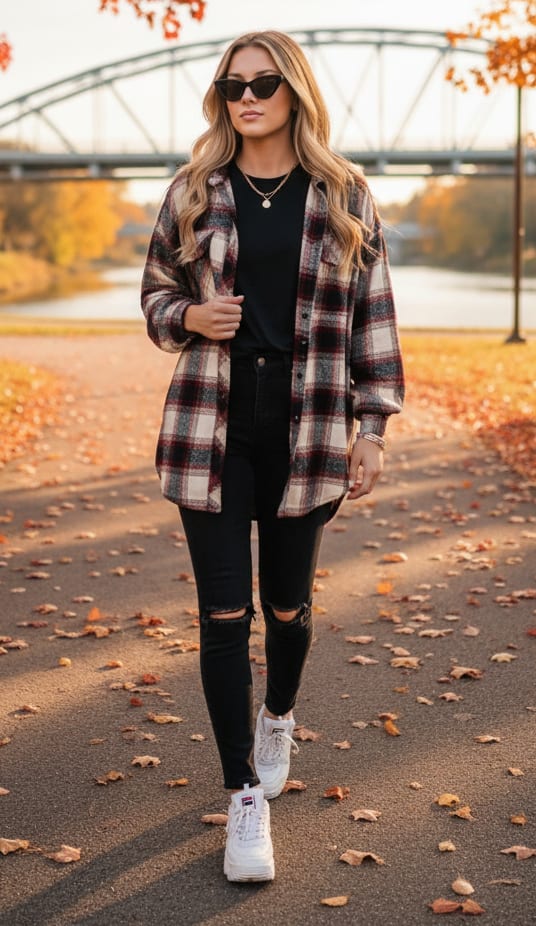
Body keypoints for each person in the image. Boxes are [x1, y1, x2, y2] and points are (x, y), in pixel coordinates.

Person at [141, 29, 404, 883]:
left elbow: (375, 318)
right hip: (213, 424)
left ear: (294, 90)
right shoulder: (192, 191)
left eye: (261, 84)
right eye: (230, 87)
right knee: (224, 617)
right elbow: (153, 293)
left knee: (286, 609)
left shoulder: (344, 193)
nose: (244, 98)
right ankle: (243, 795)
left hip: (311, 423)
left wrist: (373, 428)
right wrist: (187, 319)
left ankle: (279, 714)